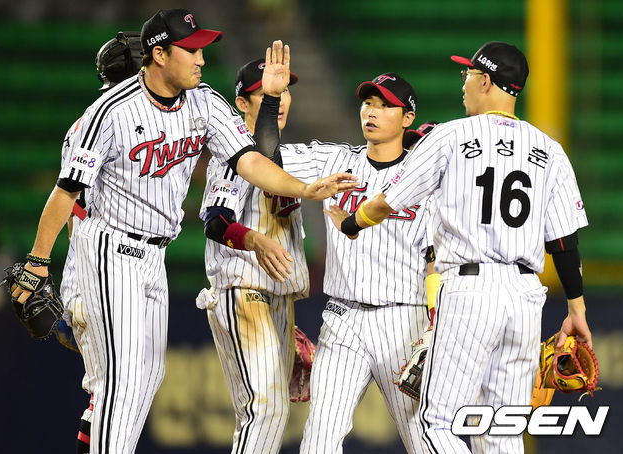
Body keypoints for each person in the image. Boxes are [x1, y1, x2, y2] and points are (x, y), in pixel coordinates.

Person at [7, 9, 355, 453]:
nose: (202, 59)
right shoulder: (110, 112)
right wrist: (38, 262)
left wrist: (303, 188)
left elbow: (251, 160)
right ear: (159, 54)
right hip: (109, 246)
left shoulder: (204, 102)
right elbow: (65, 192)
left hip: (155, 255)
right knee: (122, 381)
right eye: (191, 50)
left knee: (147, 377)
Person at [336, 41, 591, 453]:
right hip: (526, 296)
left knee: (435, 423)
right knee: (502, 429)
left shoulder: (451, 135)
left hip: (471, 289)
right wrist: (576, 310)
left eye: (468, 74)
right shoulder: (550, 150)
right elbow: (563, 242)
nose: (464, 83)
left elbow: (388, 200)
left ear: (486, 81)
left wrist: (353, 222)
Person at [254, 47, 440, 453]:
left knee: (426, 440)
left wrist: (435, 325)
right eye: (368, 103)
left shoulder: (428, 181)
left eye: (385, 106)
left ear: (408, 118)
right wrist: (270, 99)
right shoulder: (335, 160)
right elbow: (266, 156)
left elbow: (437, 260)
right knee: (318, 440)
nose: (372, 111)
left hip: (404, 322)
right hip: (343, 320)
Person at [196, 55, 308, 454]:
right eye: (267, 93)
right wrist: (255, 241)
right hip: (243, 291)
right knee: (265, 409)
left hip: (276, 299)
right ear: (242, 103)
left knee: (272, 413)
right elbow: (215, 221)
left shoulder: (282, 155)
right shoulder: (235, 153)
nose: (280, 98)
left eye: (284, 90)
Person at [52, 31, 144, 454]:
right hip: (101, 267)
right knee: (112, 396)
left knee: (111, 395)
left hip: (90, 266)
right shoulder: (113, 119)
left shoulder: (90, 119)